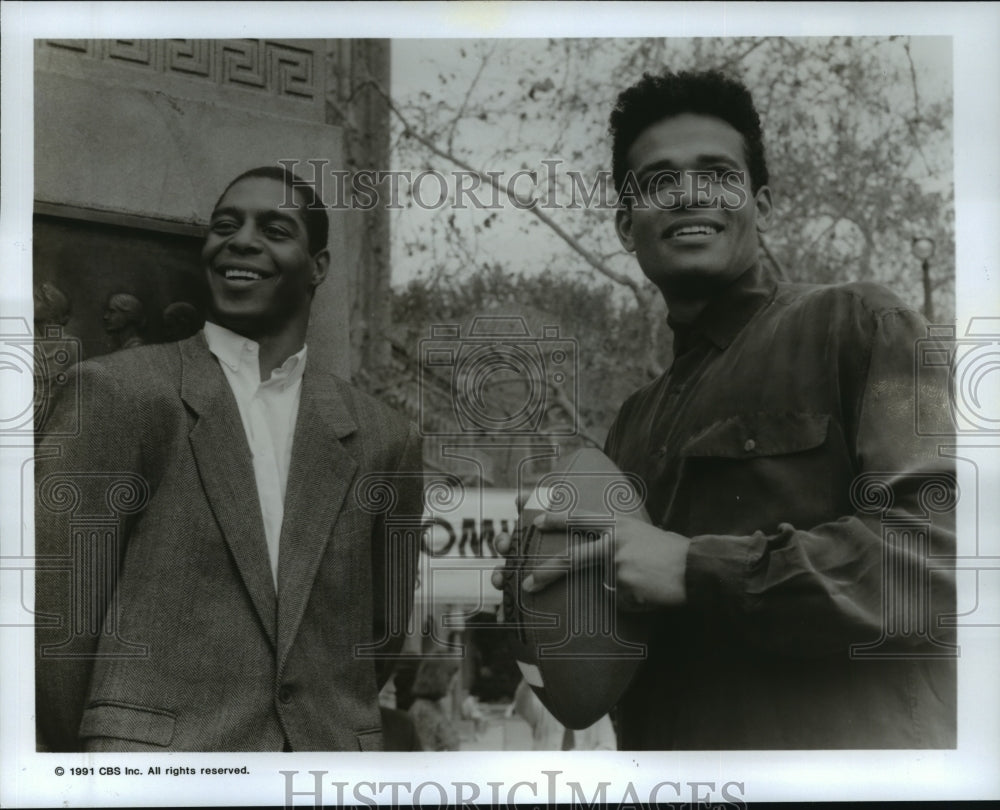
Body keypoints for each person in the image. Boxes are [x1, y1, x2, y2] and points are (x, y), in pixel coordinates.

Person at [494, 70, 955, 750]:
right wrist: (536, 581)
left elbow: (941, 561)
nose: (688, 193)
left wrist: (695, 570)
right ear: (626, 224)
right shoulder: (634, 422)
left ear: (759, 203)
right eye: (658, 180)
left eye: (717, 174)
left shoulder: (855, 325)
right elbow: (599, 651)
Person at [35, 166, 424, 752]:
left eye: (274, 228)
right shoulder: (118, 394)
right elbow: (52, 616)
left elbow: (381, 634)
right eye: (225, 225)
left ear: (318, 266)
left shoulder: (383, 438)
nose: (241, 240)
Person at [407, 659, 461, 751]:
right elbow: (426, 752)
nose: (455, 681)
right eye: (450, 676)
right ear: (436, 677)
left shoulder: (435, 705)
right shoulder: (423, 711)